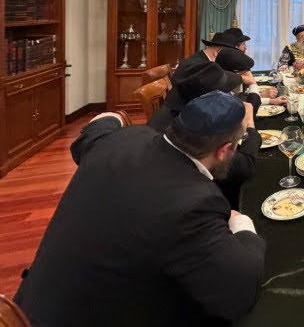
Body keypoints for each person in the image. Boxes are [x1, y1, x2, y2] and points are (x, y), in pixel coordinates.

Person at [15, 91, 266, 327]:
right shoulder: (192, 203)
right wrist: (241, 224)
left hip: (33, 305)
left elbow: (94, 130)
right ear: (224, 150)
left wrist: (114, 116)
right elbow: (239, 293)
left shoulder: (125, 138)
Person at [148, 60, 262, 210]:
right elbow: (243, 167)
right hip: (198, 198)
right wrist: (250, 127)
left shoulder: (179, 109)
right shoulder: (190, 127)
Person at [163, 31, 252, 113]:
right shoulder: (197, 64)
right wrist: (242, 78)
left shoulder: (204, 59)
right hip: (177, 116)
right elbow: (214, 77)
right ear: (218, 51)